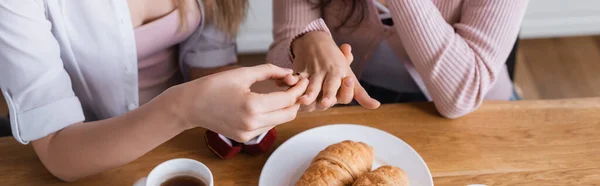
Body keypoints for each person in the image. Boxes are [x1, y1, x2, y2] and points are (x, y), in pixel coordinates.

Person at [0, 0, 308, 181]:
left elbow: (208, 68)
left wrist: (290, 85)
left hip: (183, 144)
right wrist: (183, 107)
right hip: (92, 156)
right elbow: (57, 151)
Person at [268, 0, 529, 118]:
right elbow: (277, 67)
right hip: (352, 104)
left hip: (479, 114)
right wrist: (306, 40)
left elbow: (459, 99)